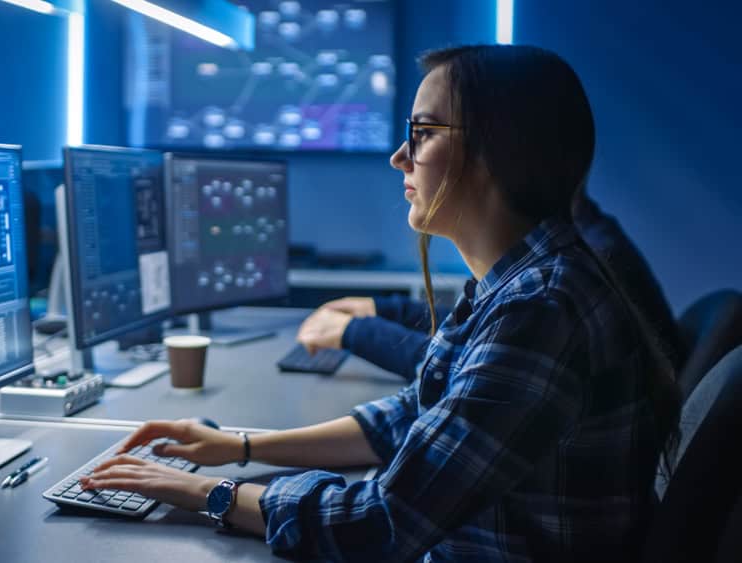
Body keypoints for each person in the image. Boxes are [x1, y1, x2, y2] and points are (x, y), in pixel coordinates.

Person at [75, 45, 683, 561]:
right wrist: (240, 448)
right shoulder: (522, 283)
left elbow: (382, 522)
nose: (398, 157)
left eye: (421, 134)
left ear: (500, 149)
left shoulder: (542, 308)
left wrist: (207, 494)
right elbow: (412, 420)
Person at [296, 188, 684, 380]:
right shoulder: (575, 243)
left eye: (426, 134)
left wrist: (355, 333)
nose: (402, 158)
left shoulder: (555, 288)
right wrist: (384, 310)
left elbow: (472, 365)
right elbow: (477, 333)